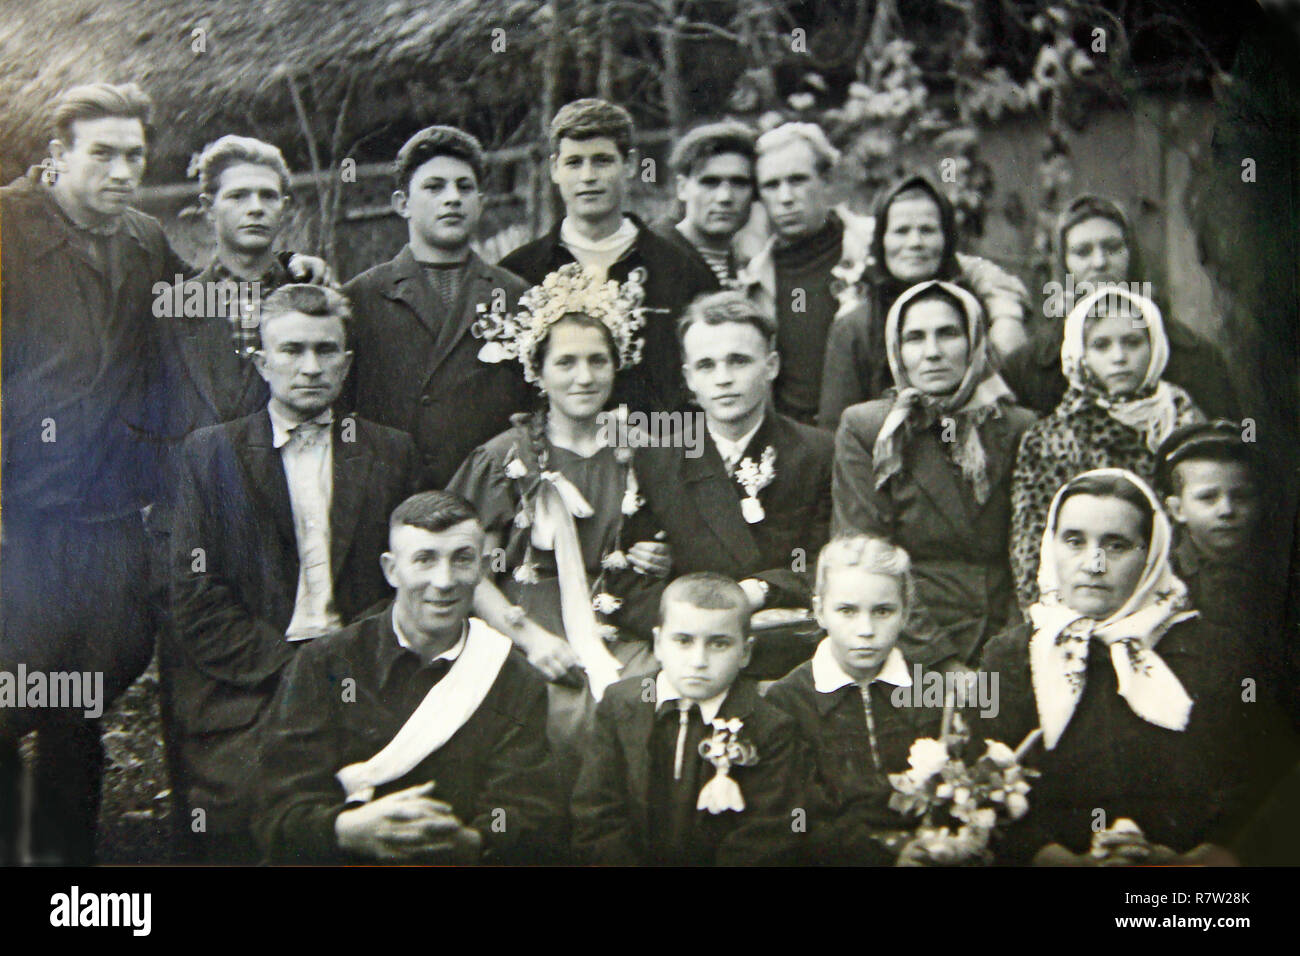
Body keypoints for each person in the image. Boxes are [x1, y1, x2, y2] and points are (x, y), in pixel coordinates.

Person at [0, 82, 322, 864]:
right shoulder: (6, 229)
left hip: (105, 522)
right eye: (101, 154)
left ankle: (69, 870)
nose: (121, 171)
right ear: (57, 157)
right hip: (16, 522)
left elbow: (212, 296)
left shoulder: (143, 240)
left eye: (134, 156)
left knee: (79, 711)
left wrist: (290, 269)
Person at [167, 285, 418, 861]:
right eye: (292, 350)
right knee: (258, 808)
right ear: (261, 362)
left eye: (326, 350)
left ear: (347, 361)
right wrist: (296, 669)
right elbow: (194, 595)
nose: (311, 367)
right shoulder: (211, 455)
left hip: (362, 675)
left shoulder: (389, 452)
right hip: (252, 686)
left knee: (398, 801)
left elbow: (405, 580)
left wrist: (347, 662)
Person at [980, 469, 1273, 864]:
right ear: (1050, 547)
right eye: (1074, 541)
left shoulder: (1214, 651)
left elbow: (1256, 786)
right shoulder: (1012, 655)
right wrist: (1056, 859)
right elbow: (982, 787)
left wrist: (1185, 860)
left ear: (1150, 553)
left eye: (1116, 545)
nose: (1093, 564)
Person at [255, 492, 563, 864]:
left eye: (462, 559)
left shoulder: (512, 678)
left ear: (482, 569)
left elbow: (526, 810)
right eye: (424, 560)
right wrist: (346, 829)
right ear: (391, 570)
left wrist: (470, 840)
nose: (444, 581)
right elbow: (274, 804)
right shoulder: (325, 665)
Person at [448, 263, 671, 773]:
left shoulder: (643, 448)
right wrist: (529, 638)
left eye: (598, 360)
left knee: (649, 702)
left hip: (625, 624)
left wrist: (661, 552)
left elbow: (672, 533)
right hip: (525, 627)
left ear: (619, 366)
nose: (584, 377)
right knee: (553, 712)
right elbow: (468, 572)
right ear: (537, 371)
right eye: (566, 362)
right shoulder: (505, 456)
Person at [738, 130, 1029, 426]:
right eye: (771, 186)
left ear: (826, 182)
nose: (786, 197)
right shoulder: (752, 278)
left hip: (871, 423)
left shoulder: (877, 238)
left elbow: (970, 267)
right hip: (799, 436)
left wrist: (1007, 315)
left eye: (798, 180)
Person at [617, 291, 834, 678]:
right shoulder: (658, 457)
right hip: (693, 653)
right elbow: (631, 580)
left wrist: (762, 590)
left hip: (789, 647)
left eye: (739, 361)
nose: (723, 379)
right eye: (706, 365)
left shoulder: (816, 452)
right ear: (689, 380)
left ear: (771, 366)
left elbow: (829, 560)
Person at [832, 281, 1037, 667]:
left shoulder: (1018, 427)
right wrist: (941, 661)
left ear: (975, 342)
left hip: (1008, 635)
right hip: (908, 638)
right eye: (914, 338)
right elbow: (866, 558)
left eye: (948, 334)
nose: (932, 353)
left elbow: (1034, 554)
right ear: (897, 350)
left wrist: (1010, 651)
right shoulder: (869, 429)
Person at [571, 572, 807, 865]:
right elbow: (597, 812)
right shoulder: (620, 705)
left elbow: (766, 835)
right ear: (658, 643)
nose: (698, 661)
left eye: (719, 644)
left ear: (745, 652)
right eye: (683, 641)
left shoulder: (769, 725)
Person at [342, 126, 533, 489]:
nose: (452, 198)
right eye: (434, 187)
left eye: (464, 187)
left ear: (481, 201)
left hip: (488, 501)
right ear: (402, 204)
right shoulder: (360, 298)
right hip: (392, 501)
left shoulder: (516, 296)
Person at [500, 99, 719, 414]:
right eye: (574, 162)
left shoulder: (683, 271)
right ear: (554, 169)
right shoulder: (520, 272)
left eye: (602, 161)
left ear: (629, 165)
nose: (588, 176)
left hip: (659, 452)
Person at [1010, 285, 1204, 609]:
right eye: (1101, 345)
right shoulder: (1051, 438)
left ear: (1154, 346)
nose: (1119, 357)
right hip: (1086, 601)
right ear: (1080, 354)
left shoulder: (1185, 421)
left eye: (1132, 342)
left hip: (1177, 598)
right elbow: (1030, 544)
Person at [765, 535, 950, 865]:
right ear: (820, 611)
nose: (866, 629)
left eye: (883, 611)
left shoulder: (929, 690)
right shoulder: (789, 700)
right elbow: (798, 817)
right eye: (847, 611)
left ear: (905, 613)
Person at [818, 173, 1033, 428]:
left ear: (946, 239)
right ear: (881, 240)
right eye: (901, 231)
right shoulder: (855, 327)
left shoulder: (980, 310)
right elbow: (837, 430)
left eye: (928, 230)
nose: (915, 243)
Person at [1000, 194, 1238, 418]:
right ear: (1064, 264)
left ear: (1132, 255)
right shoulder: (1027, 369)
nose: (1100, 263)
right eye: (1083, 252)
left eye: (1113, 248)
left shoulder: (1195, 358)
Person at [651, 120, 760, 286]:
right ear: (682, 188)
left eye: (739, 183)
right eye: (710, 182)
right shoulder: (652, 255)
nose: (725, 197)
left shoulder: (745, 265)